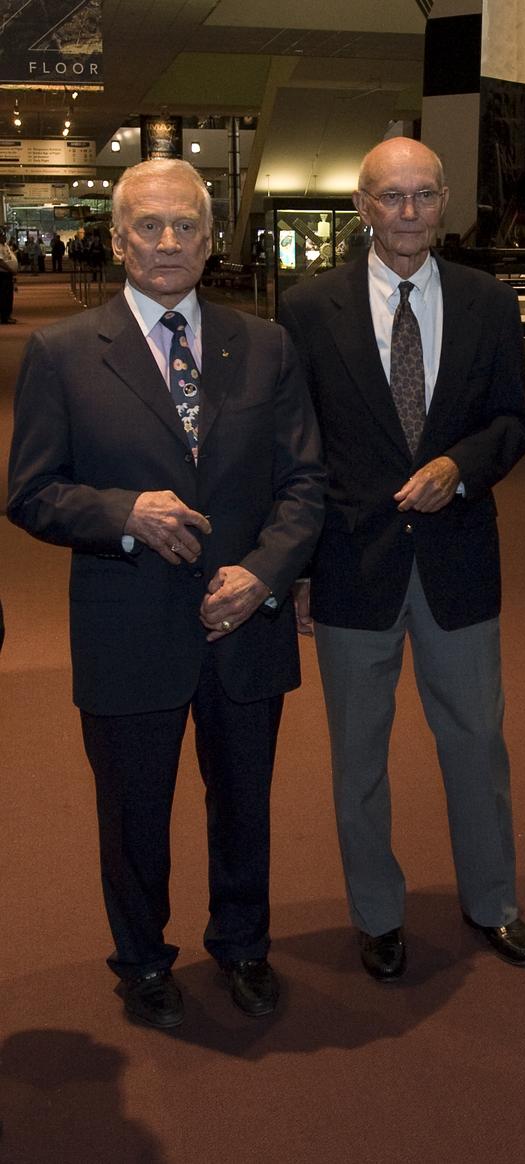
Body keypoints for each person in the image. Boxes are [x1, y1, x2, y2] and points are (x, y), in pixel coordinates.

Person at [6, 158, 326, 1029]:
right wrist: (122, 512)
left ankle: (244, 946)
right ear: (117, 240)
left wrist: (267, 572)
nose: (169, 242)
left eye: (186, 224)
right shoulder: (64, 354)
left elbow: (305, 484)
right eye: (149, 225)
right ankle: (143, 959)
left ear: (211, 237)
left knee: (245, 807)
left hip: (243, 624)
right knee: (134, 815)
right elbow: (30, 492)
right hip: (127, 623)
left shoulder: (264, 345)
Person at [278, 137, 525, 981]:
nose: (409, 214)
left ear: (445, 202)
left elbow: (510, 423)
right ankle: (377, 915)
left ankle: (493, 902)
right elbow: (298, 448)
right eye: (391, 198)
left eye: (424, 196)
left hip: (459, 562)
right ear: (361, 207)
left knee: (476, 744)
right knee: (358, 757)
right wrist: (303, 569)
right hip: (353, 566)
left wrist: (459, 469)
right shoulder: (308, 309)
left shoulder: (488, 302)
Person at [0, 236, 17, 323]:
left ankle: (7, 315)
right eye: (2, 236)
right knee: (4, 296)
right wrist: (10, 269)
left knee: (8, 296)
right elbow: (1, 262)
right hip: (2, 274)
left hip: (8, 274)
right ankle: (4, 317)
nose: (4, 238)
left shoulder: (5, 246)